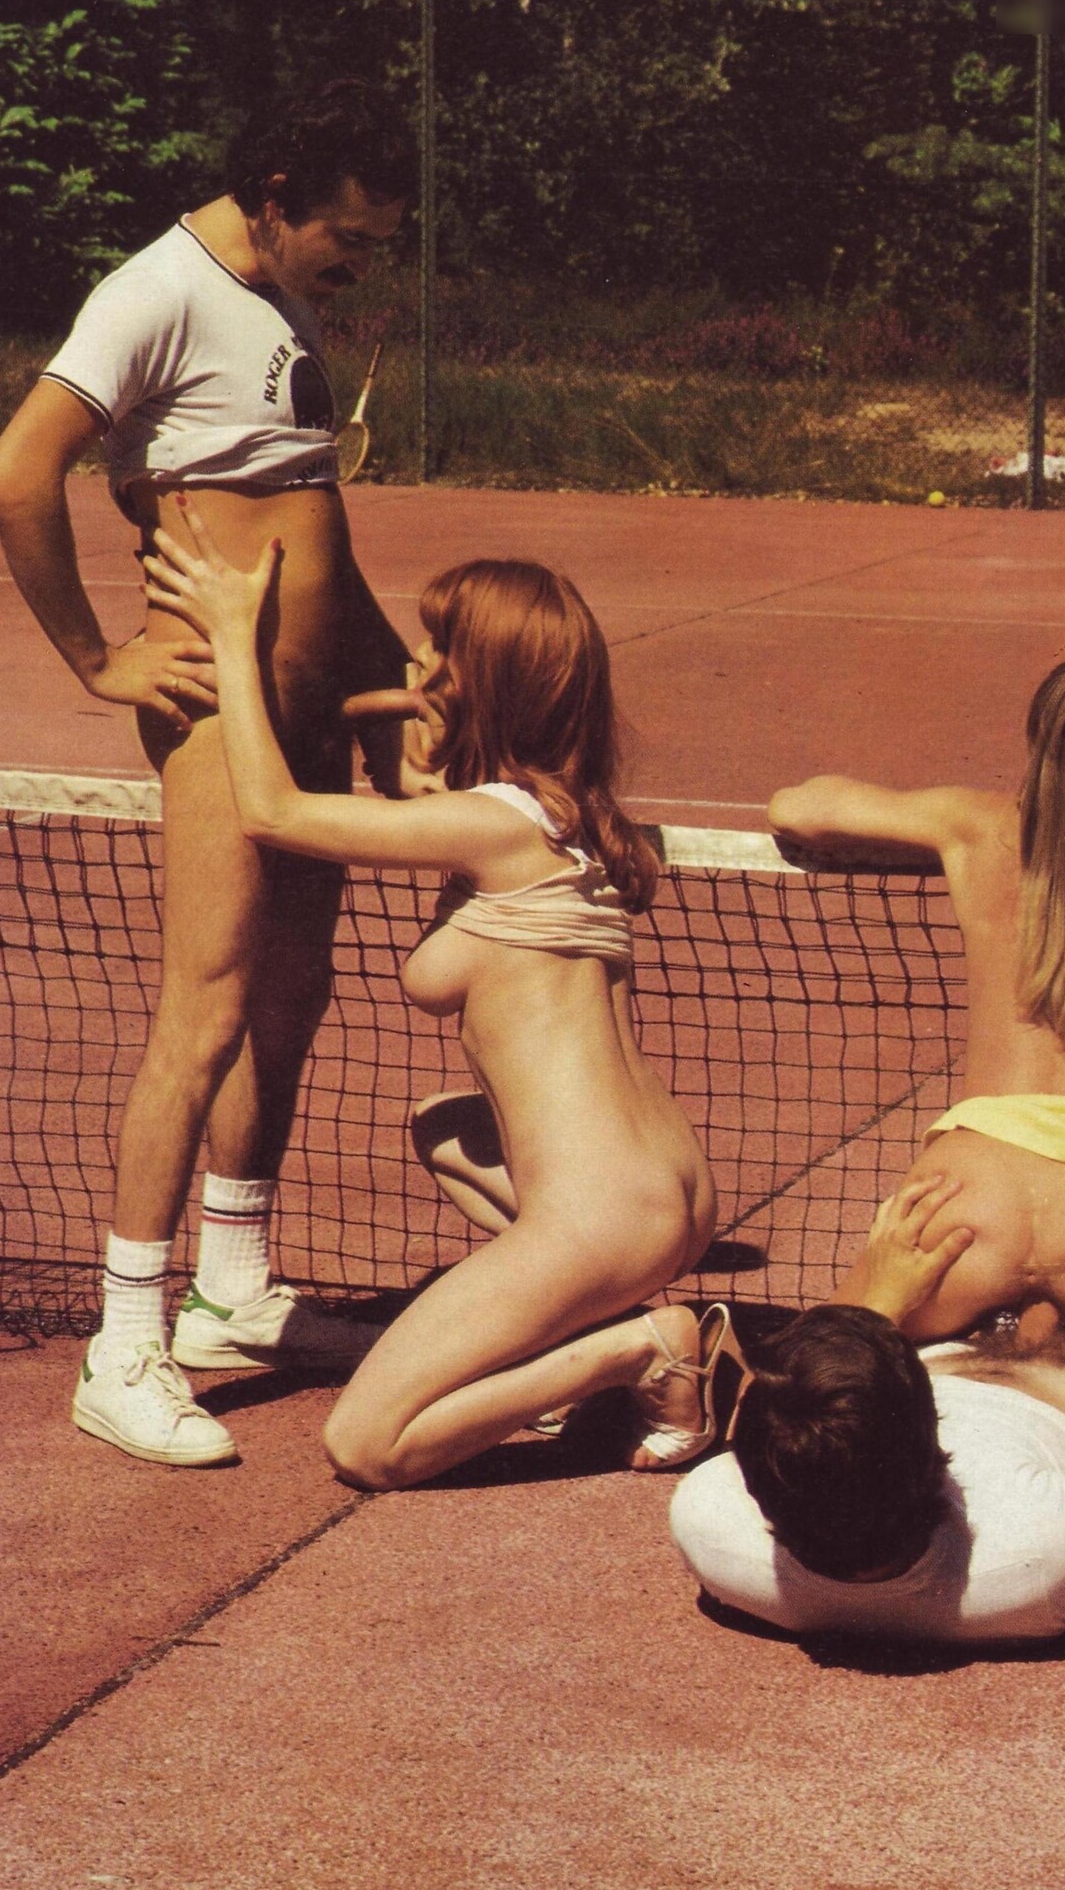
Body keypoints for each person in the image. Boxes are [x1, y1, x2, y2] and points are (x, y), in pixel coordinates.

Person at [0, 81, 417, 1466]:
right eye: (350, 237)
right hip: (217, 707)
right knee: (209, 1003)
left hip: (314, 706)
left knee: (292, 989)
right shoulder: (154, 290)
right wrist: (97, 658)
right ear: (277, 200)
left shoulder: (279, 290)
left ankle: (233, 1286)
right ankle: (124, 1346)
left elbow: (302, 510)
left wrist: (383, 679)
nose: (362, 264)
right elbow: (15, 474)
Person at [143, 513, 730, 1488]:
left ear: (480, 681)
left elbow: (271, 813)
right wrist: (418, 750)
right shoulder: (579, 822)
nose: (415, 659)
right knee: (444, 1125)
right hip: (671, 1189)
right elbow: (457, 818)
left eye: (435, 646)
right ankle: (605, 1319)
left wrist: (236, 639)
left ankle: (639, 1348)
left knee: (367, 1445)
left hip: (599, 1215)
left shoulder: (490, 827)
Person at [766, 653, 1065, 1437]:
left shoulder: (982, 828)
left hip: (962, 1208)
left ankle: (685, 1367)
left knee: (793, 1408)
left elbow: (798, 808)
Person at [669, 1178, 1065, 1643]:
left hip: (946, 1340)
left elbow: (776, 1406)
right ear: (937, 1433)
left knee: (976, 1208)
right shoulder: (1038, 1554)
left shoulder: (713, 1524)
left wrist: (881, 1296)